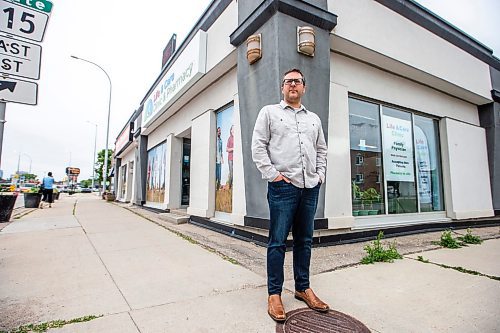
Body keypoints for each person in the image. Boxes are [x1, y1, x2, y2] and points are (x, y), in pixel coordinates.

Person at [251, 68, 329, 322]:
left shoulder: (314, 119)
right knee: (277, 241)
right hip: (283, 186)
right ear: (282, 88)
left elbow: (321, 150)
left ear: (304, 87)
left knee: (305, 240)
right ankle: (274, 294)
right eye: (288, 82)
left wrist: (320, 176)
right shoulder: (269, 113)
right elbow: (258, 146)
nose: (292, 85)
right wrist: (273, 175)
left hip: (310, 187)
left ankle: (302, 287)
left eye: (297, 81)